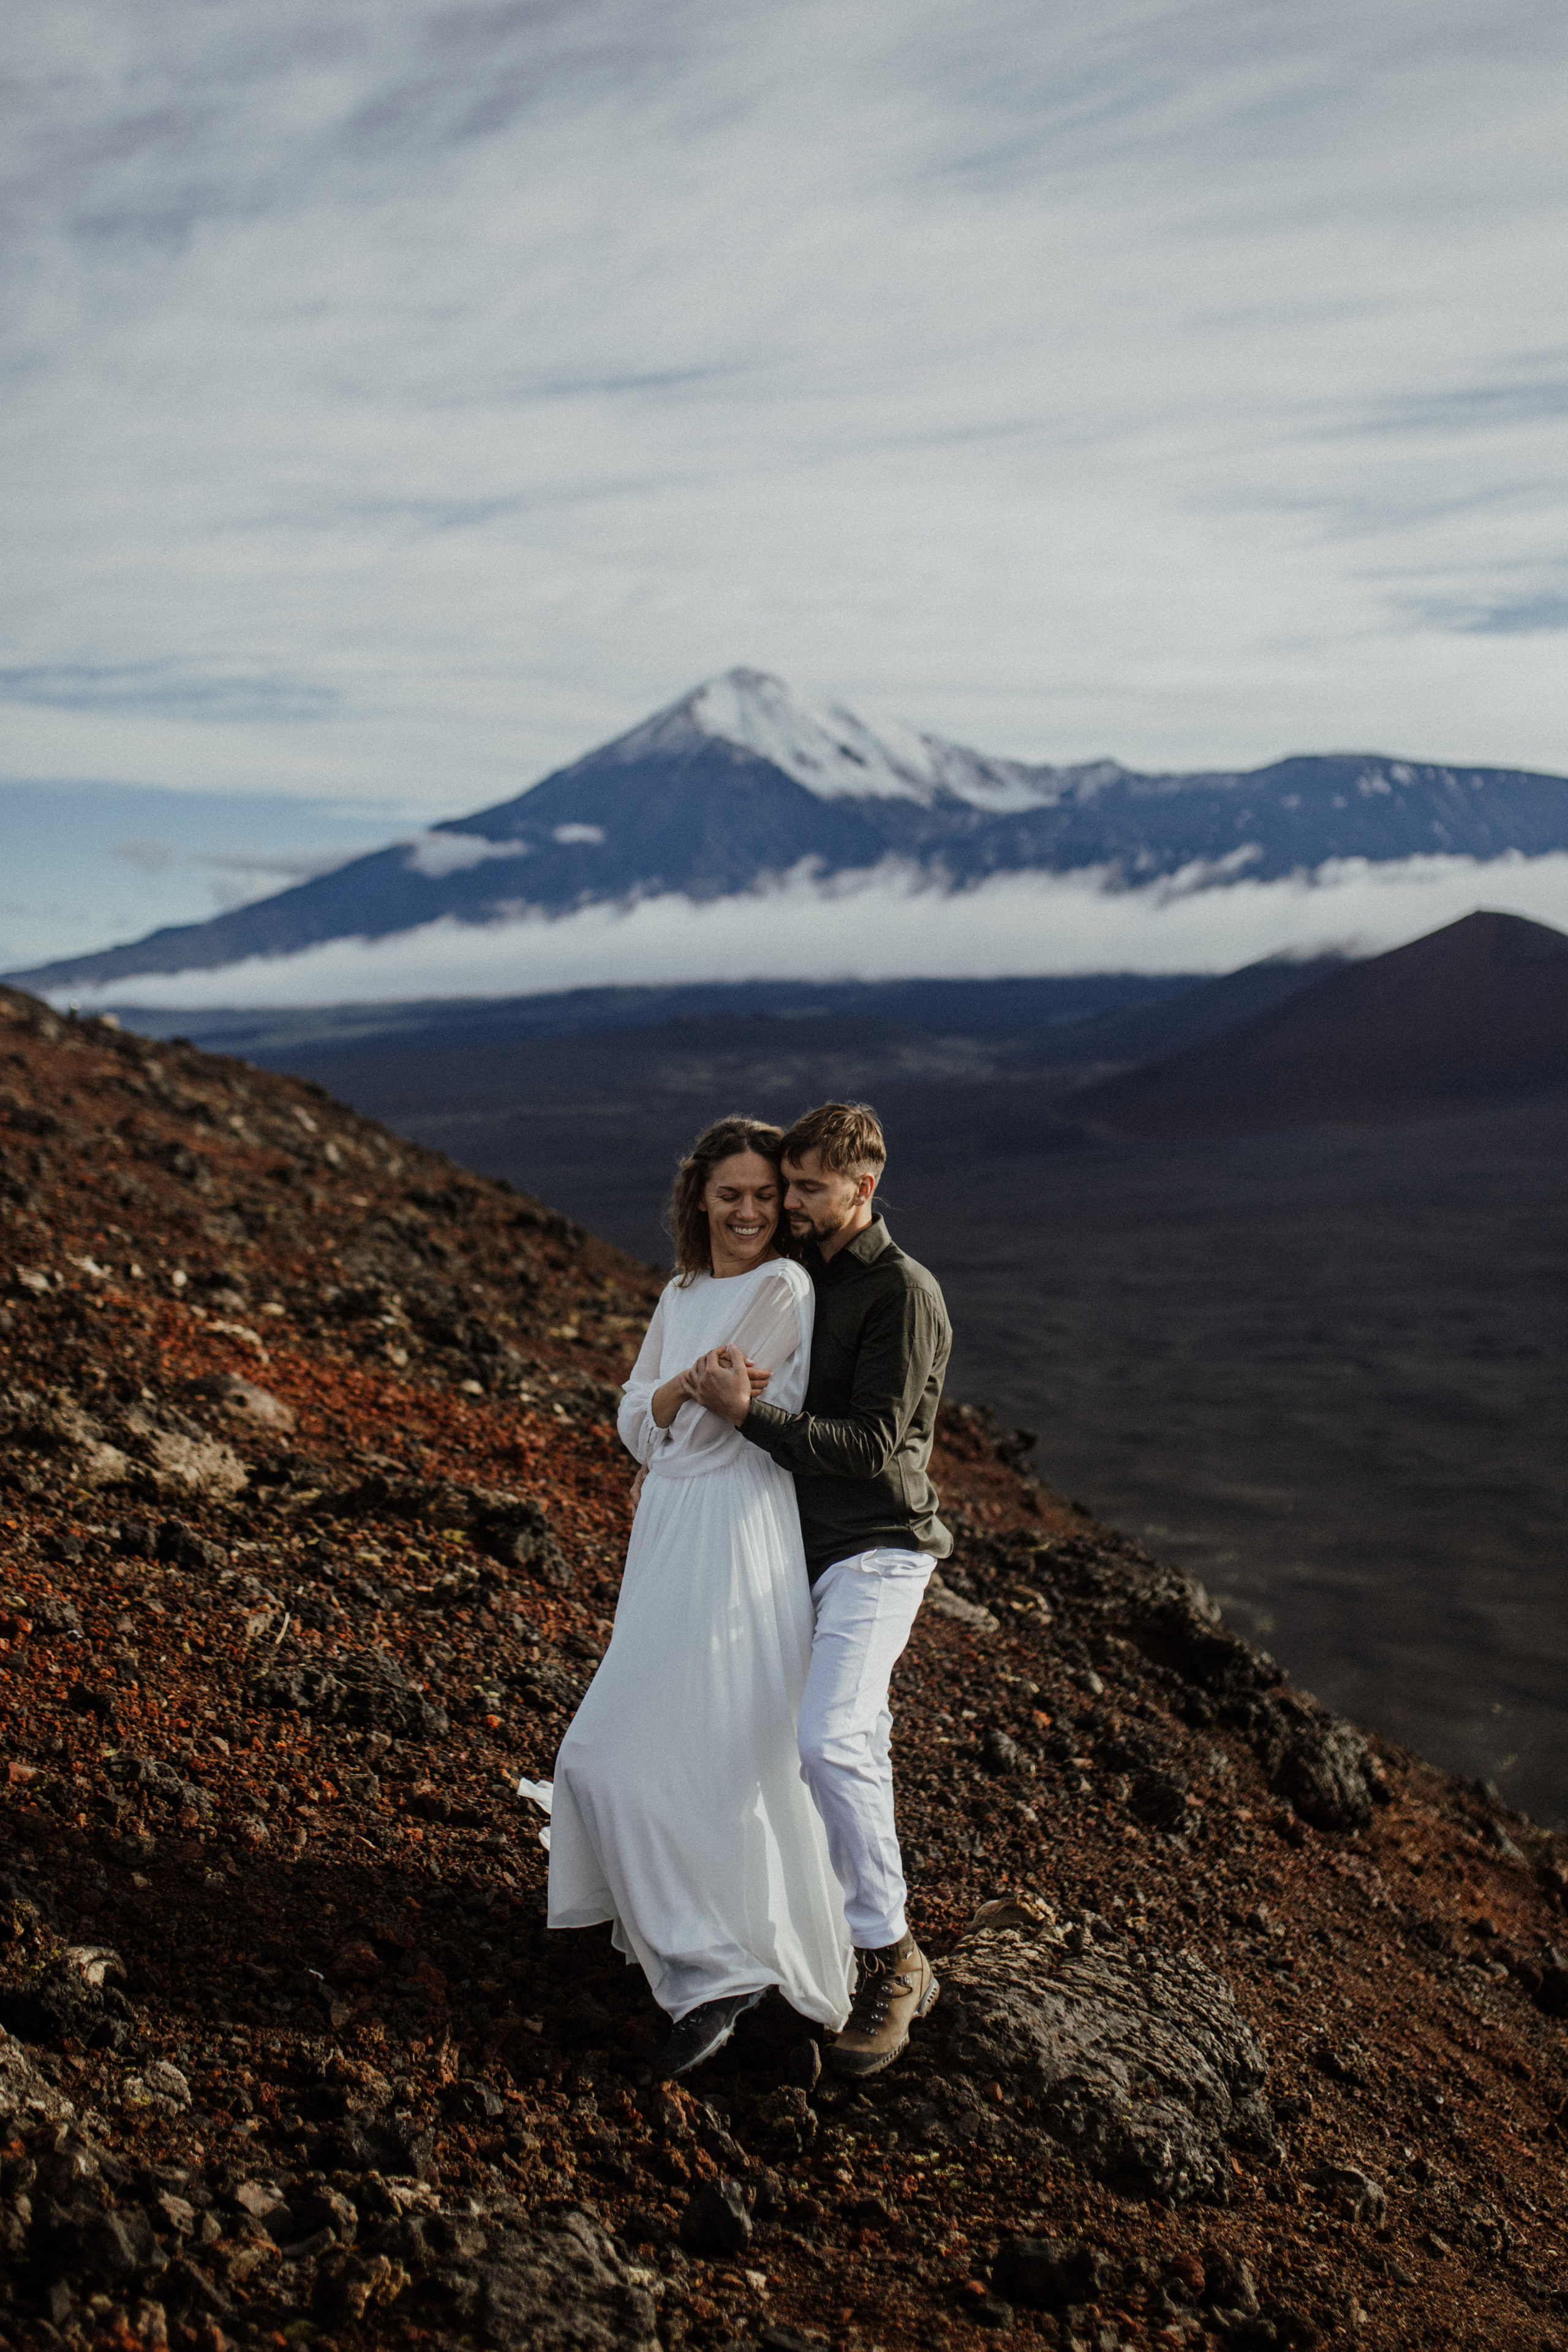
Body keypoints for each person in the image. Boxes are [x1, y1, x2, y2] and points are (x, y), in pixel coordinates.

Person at [544, 1116, 854, 2078]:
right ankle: (708, 1961)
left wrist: (681, 1404)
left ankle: (721, 1971)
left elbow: (736, 1421)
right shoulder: (682, 1292)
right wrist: (684, 1387)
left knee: (707, 1743)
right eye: (733, 1195)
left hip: (738, 1524)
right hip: (668, 1530)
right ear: (701, 1199)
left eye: (769, 1195)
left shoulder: (785, 1287)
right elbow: (638, 1422)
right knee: (608, 1757)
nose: (753, 1211)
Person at [694, 1100, 952, 2078]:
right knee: (787, 1741)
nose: (790, 1202)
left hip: (880, 1548)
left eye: (808, 1187)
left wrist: (747, 1416)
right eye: (785, 1184)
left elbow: (875, 1452)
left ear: (864, 1187)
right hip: (794, 1549)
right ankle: (784, 1937)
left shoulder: (904, 1293)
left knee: (830, 1736)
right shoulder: (798, 1279)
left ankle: (893, 1959)